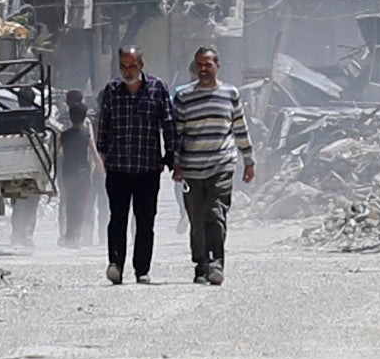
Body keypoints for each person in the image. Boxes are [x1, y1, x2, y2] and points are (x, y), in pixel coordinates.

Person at [166, 47, 256, 283]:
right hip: (192, 168)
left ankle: (217, 261)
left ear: (218, 65)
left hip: (222, 164)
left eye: (207, 64)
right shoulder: (184, 96)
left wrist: (249, 160)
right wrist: (175, 163)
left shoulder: (230, 94)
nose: (203, 69)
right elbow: (177, 132)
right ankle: (201, 263)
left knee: (215, 213)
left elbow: (240, 128)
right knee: (196, 219)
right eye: (199, 65)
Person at [90, 46, 170, 284]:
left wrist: (171, 155)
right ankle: (115, 264)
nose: (128, 71)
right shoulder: (112, 91)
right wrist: (103, 157)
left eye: (132, 65)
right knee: (117, 219)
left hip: (147, 168)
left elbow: (167, 122)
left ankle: (141, 269)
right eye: (123, 66)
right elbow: (103, 126)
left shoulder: (157, 88)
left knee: (145, 221)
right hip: (119, 169)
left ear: (141, 65)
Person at [48, 84, 99, 248]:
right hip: (84, 167)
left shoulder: (60, 121)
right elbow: (92, 148)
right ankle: (86, 235)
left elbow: (54, 149)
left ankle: (66, 234)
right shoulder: (87, 124)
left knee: (66, 201)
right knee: (85, 201)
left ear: (67, 102)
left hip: (66, 167)